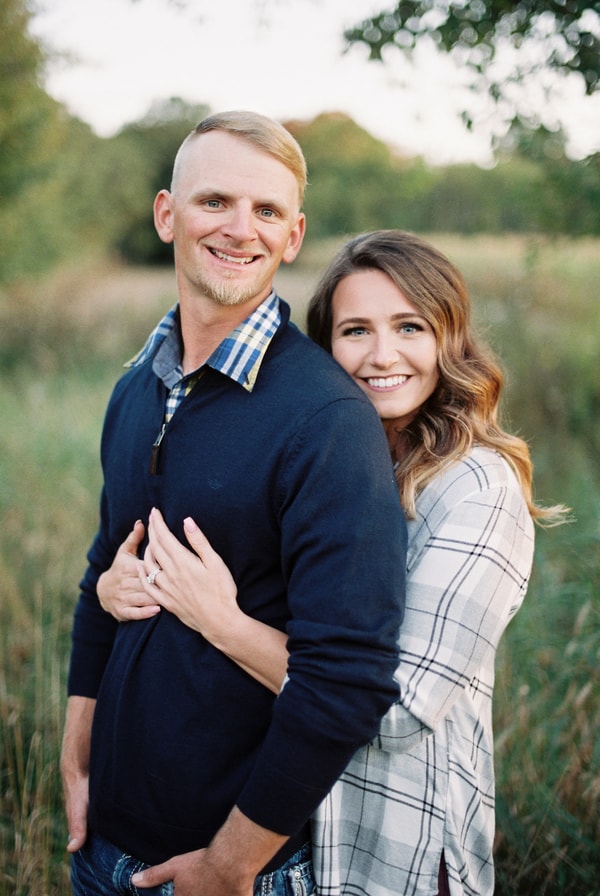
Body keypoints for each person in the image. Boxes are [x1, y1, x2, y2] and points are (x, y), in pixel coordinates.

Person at [101, 229, 567, 895]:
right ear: (327, 348)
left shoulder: (476, 490)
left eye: (409, 327)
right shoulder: (329, 458)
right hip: (290, 834)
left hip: (390, 847)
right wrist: (127, 584)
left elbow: (394, 709)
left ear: (449, 339)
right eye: (355, 331)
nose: (383, 356)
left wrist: (221, 622)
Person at [60, 114, 408, 896]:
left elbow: (345, 679)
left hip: (234, 867)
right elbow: (100, 580)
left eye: (267, 211)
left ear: (292, 237)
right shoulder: (135, 390)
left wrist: (231, 863)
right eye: (215, 201)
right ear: (166, 215)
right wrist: (74, 748)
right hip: (102, 848)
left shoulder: (326, 420)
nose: (240, 230)